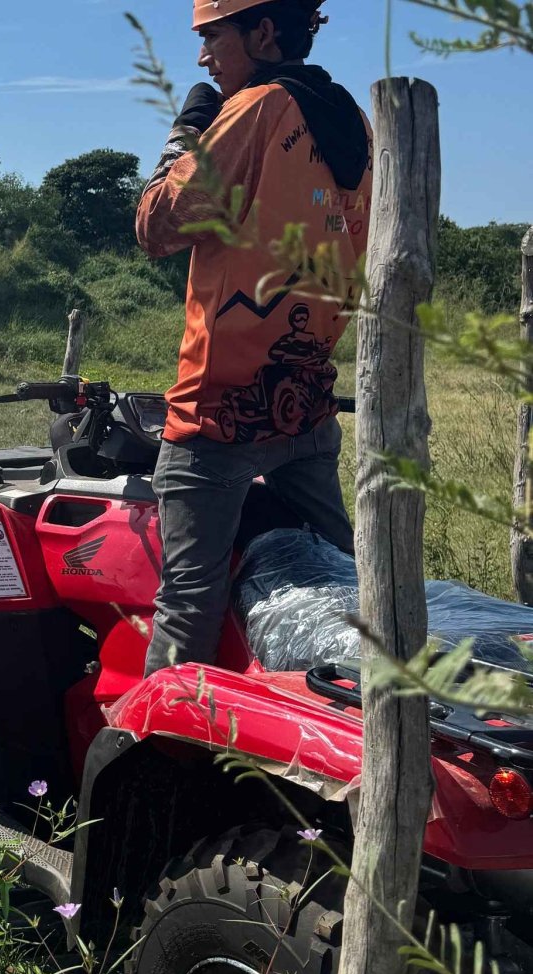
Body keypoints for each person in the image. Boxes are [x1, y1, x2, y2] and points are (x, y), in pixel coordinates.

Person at [136, 0, 373, 676]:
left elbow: (155, 224)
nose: (203, 57)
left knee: (187, 600)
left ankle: (162, 769)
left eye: (213, 37)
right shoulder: (349, 120)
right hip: (309, 406)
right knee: (340, 589)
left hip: (216, 415)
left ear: (263, 33)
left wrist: (186, 131)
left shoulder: (254, 109)